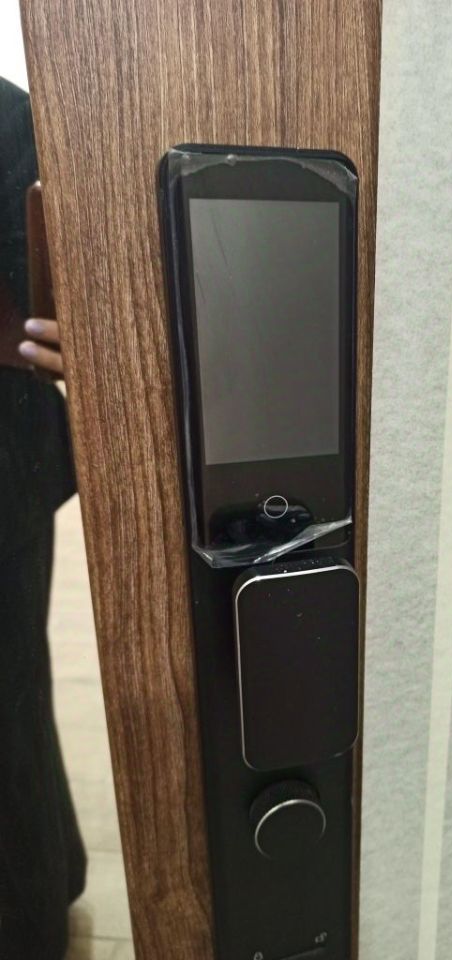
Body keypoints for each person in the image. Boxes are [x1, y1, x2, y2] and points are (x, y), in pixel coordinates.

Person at [0, 75, 86, 959]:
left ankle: (30, 921)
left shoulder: (7, 113)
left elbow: (49, 305)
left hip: (6, 455)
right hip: (16, 447)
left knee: (11, 697)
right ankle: (50, 880)